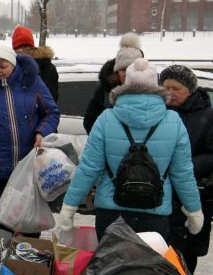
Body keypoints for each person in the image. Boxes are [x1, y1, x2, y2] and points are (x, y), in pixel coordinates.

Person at [56, 59, 204, 242]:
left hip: (112, 213)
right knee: (148, 268)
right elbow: (183, 173)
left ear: (126, 84)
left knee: (110, 268)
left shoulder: (106, 118)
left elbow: (89, 168)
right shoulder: (173, 121)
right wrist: (193, 210)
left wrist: (69, 206)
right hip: (154, 212)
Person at [0, 45, 60, 237]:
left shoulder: (32, 82)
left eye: (3, 66)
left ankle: (29, 254)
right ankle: (4, 256)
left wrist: (41, 132)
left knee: (29, 216)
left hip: (28, 163)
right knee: (4, 216)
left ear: (13, 65)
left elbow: (51, 112)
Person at [159, 65, 213, 272]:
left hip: (191, 193)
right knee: (158, 250)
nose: (170, 92)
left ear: (190, 89)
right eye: (165, 87)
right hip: (160, 194)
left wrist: (183, 169)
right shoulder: (157, 113)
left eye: (176, 88)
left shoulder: (209, 116)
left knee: (186, 256)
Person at [83, 33, 143, 134]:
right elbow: (90, 122)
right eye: (123, 69)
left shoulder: (152, 90)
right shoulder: (105, 91)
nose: (127, 73)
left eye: (131, 68)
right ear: (117, 72)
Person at [12, 25, 59, 101]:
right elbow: (53, 96)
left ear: (14, 46)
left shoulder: (13, 65)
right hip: (46, 110)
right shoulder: (48, 65)